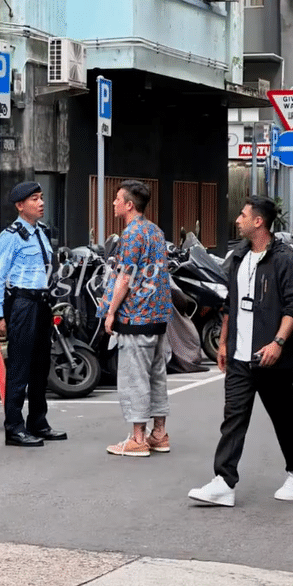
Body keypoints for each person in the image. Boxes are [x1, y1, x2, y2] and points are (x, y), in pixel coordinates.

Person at [188, 195, 293, 505]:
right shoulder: (239, 255)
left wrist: (278, 343)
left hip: (271, 358)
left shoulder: (285, 259)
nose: (238, 220)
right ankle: (224, 482)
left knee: (284, 417)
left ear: (259, 222)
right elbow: (231, 303)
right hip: (240, 357)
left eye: (243, 215)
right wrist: (224, 343)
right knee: (233, 417)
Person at [0, 181, 67, 447]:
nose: (41, 203)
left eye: (42, 197)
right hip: (22, 304)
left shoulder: (41, 232)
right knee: (20, 367)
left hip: (42, 303)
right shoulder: (11, 237)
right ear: (21, 206)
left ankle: (38, 422)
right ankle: (14, 427)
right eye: (35, 199)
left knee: (40, 366)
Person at [99, 180, 173, 457]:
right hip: (159, 316)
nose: (114, 203)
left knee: (134, 378)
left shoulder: (131, 235)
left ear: (130, 205)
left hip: (136, 317)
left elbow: (125, 277)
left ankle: (137, 438)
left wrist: (110, 311)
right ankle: (159, 434)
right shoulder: (155, 231)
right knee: (157, 376)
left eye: (118, 199)